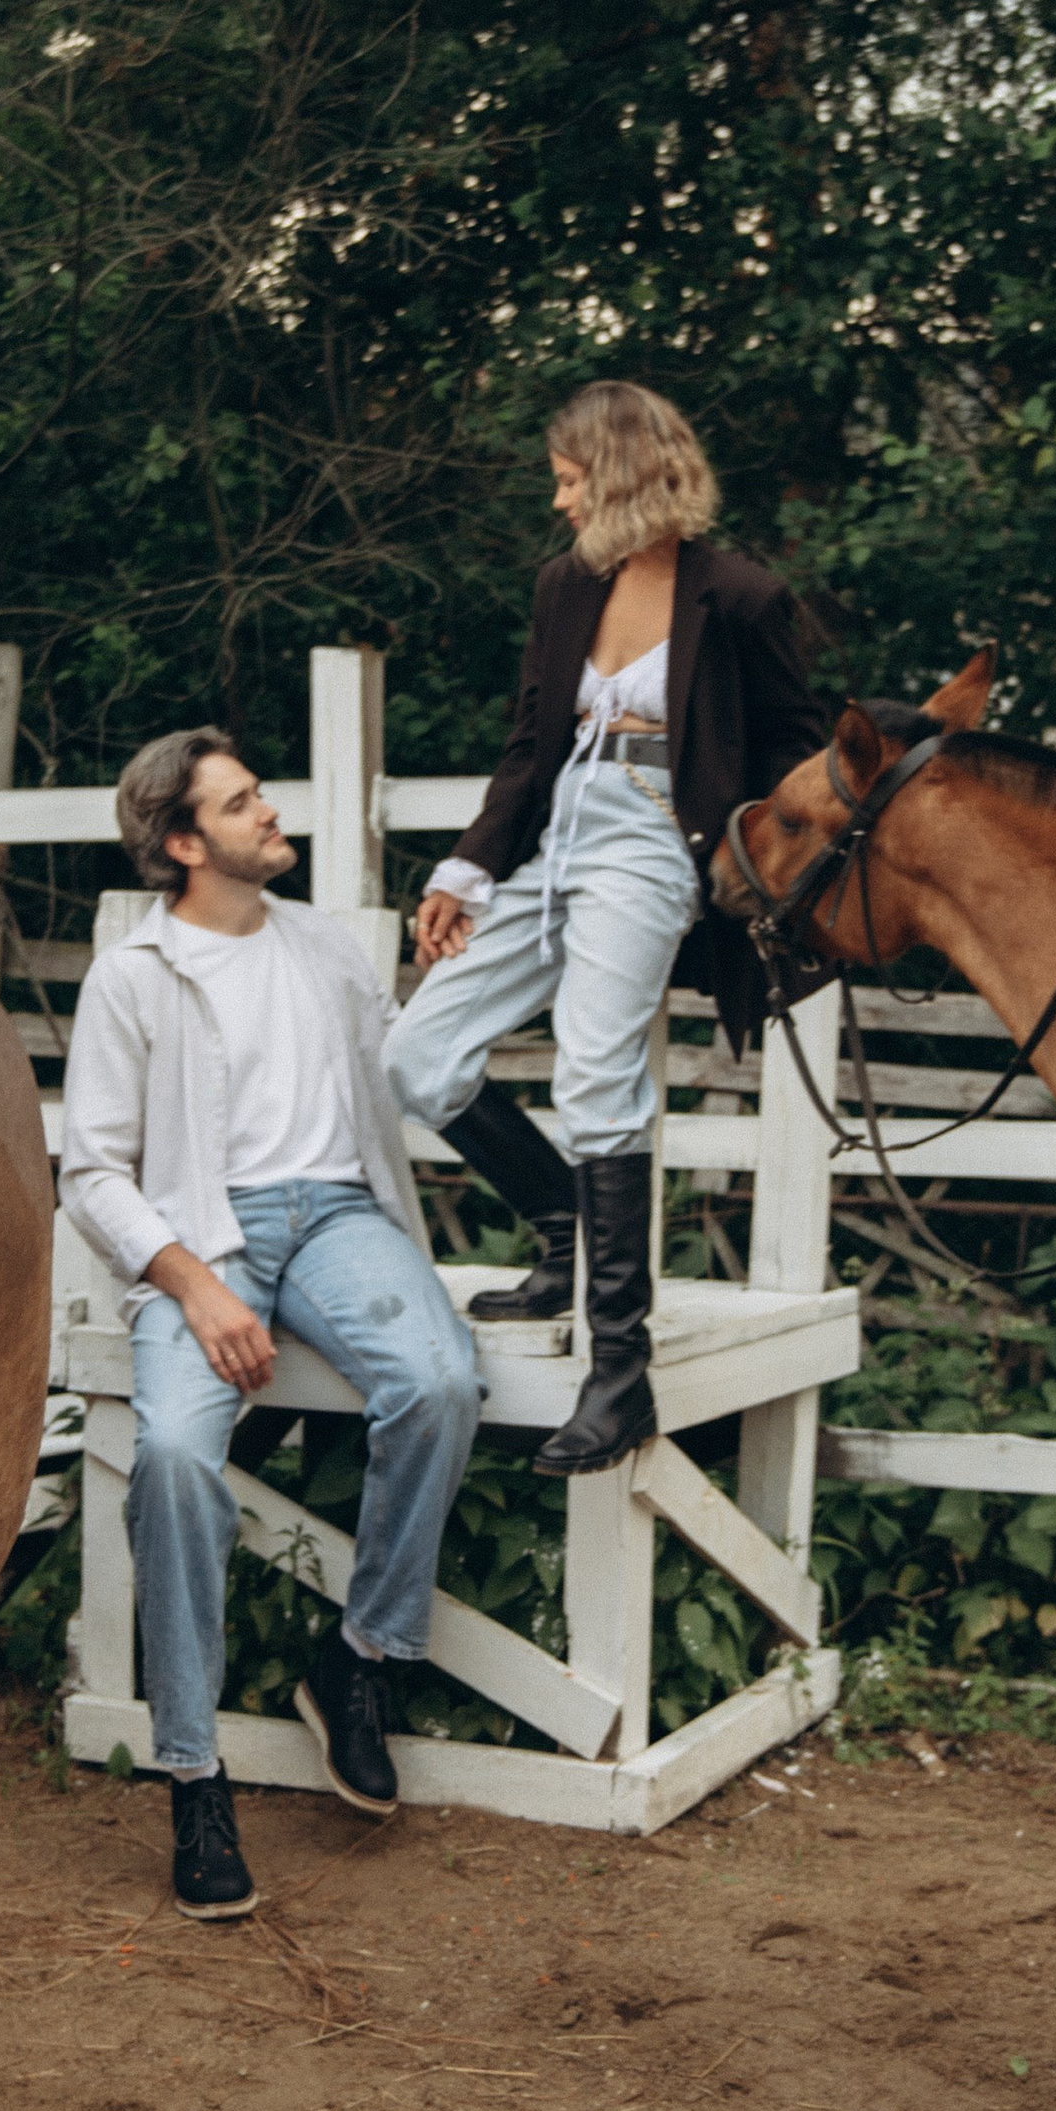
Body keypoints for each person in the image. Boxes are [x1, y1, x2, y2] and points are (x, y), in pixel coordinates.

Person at [59, 730, 482, 1922]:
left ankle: (359, 1658)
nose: (268, 814)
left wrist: (450, 965)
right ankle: (194, 1776)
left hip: (341, 1219)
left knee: (441, 1381)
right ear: (183, 844)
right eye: (241, 806)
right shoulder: (135, 978)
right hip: (206, 1236)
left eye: (259, 797)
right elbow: (90, 1172)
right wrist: (196, 1285)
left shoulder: (327, 948)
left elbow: (401, 1062)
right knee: (179, 1461)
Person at [386, 381, 826, 1477]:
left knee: (594, 1074)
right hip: (560, 836)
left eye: (572, 479)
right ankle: (561, 1232)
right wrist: (470, 867)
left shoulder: (740, 598)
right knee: (415, 1052)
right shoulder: (563, 588)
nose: (559, 500)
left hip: (649, 842)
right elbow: (533, 740)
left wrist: (744, 862)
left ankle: (617, 1372)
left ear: (623, 476)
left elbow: (800, 752)